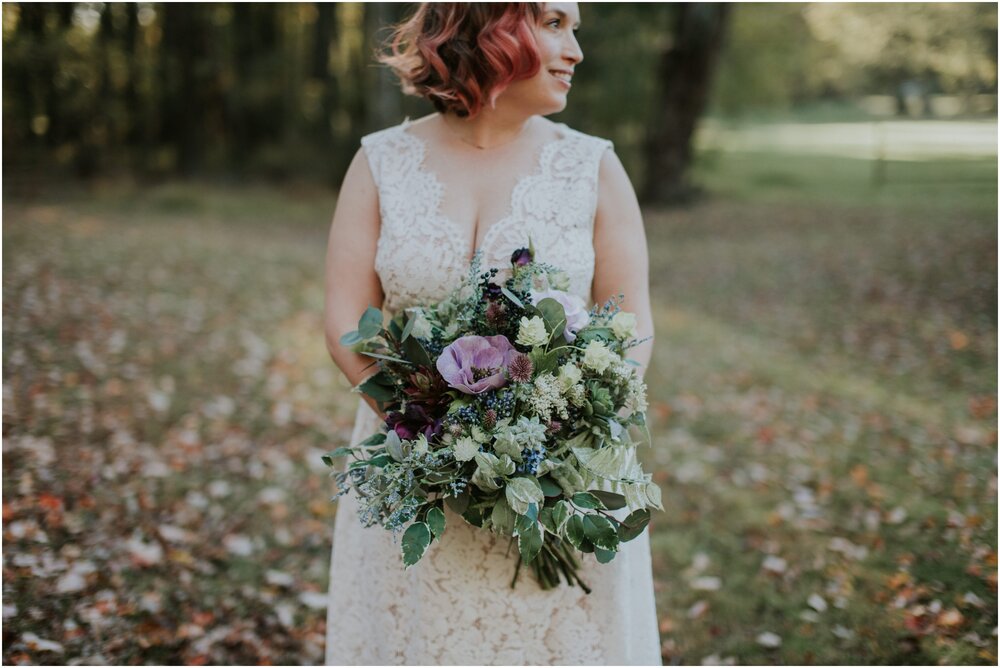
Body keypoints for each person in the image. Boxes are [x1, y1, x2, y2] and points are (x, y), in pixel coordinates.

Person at [322, 2, 660, 664]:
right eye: (556, 24)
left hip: (558, 483)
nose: (576, 51)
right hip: (409, 472)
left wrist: (562, 433)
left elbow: (633, 323)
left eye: (576, 29)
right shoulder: (380, 163)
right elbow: (344, 319)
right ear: (492, 27)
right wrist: (426, 435)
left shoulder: (593, 168)